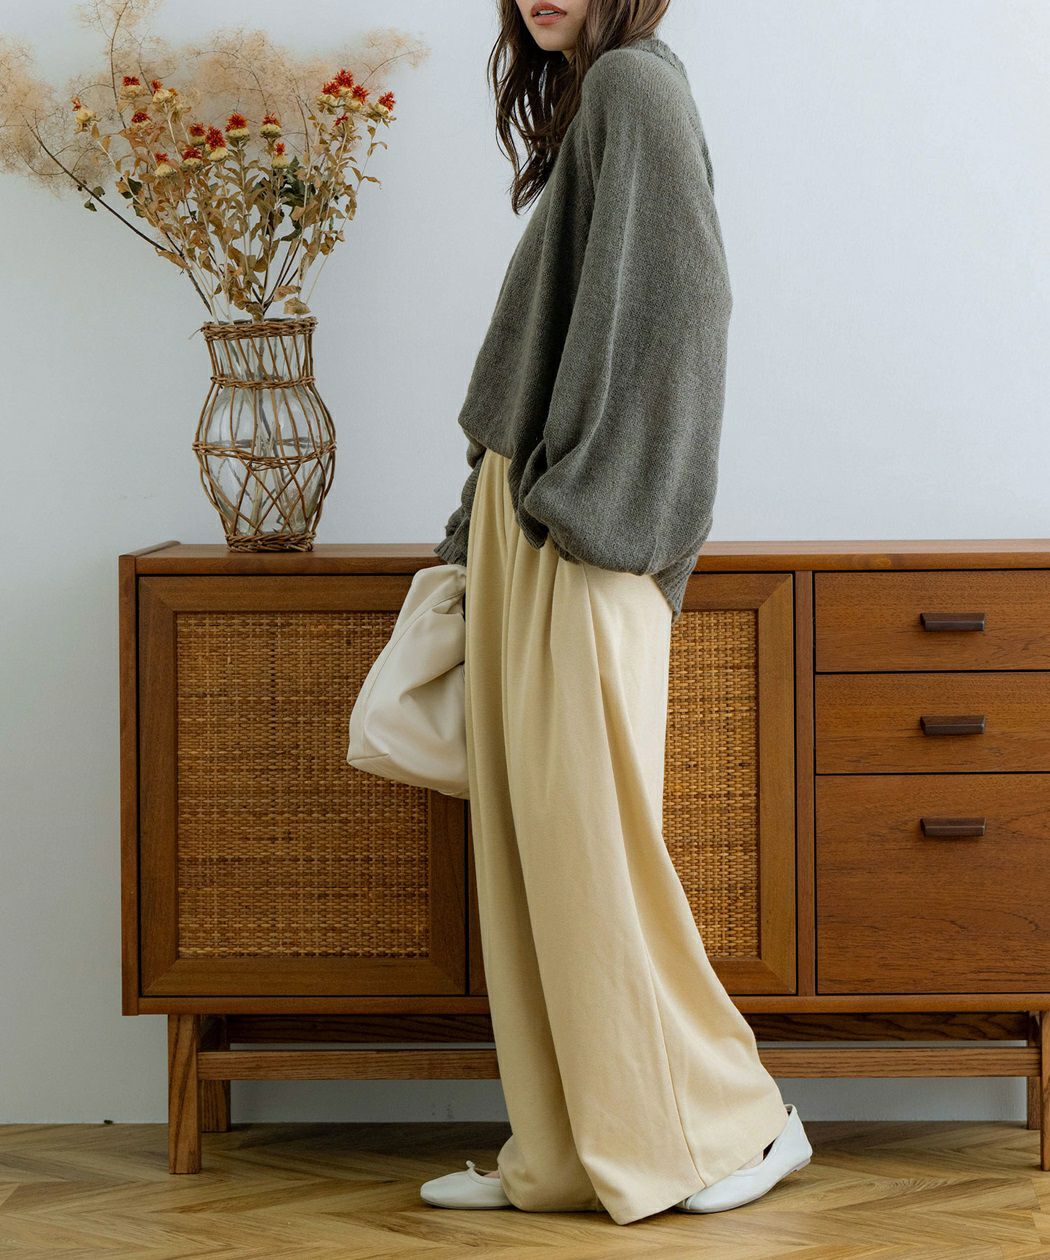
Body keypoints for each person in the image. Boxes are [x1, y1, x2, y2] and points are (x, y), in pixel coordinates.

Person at [422, 0, 812, 1226]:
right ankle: (564, 1153)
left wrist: (588, 507)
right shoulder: (604, 97)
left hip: (583, 537)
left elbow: (684, 317)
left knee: (598, 863)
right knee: (535, 871)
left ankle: (745, 1121)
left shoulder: (638, 87)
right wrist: (484, 526)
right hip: (538, 527)